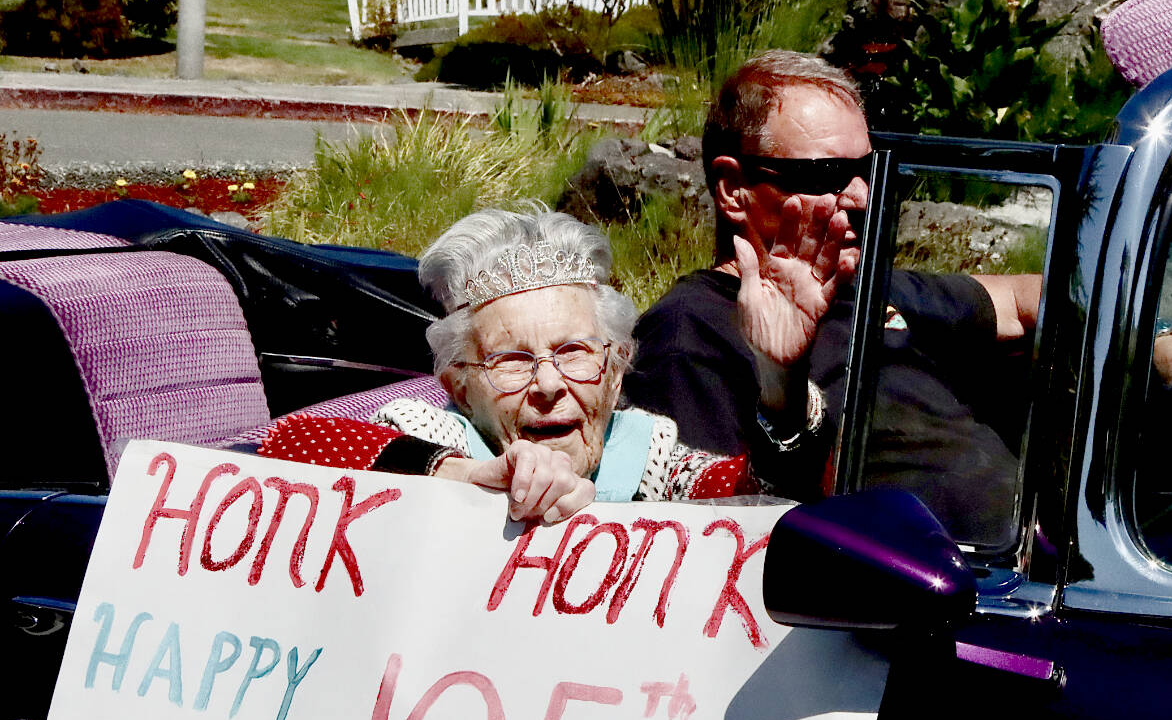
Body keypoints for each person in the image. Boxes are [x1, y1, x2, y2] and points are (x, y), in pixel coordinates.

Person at [623, 49, 1043, 546]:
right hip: (917, 595)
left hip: (1051, 559)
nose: (862, 195)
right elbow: (717, 530)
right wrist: (782, 382)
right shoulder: (690, 331)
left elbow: (1020, 299)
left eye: (867, 169)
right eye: (825, 174)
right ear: (734, 189)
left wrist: (1155, 339)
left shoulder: (869, 287)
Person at [259, 203, 848, 522]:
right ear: (460, 389)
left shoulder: (651, 464)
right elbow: (285, 445)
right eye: (512, 361)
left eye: (573, 353)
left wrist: (780, 380)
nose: (547, 385)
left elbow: (770, 498)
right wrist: (464, 480)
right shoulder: (439, 436)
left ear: (616, 372)